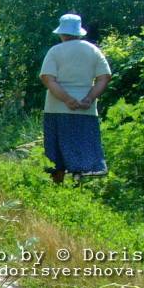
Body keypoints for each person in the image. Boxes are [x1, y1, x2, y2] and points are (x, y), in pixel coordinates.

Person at [39, 13, 112, 184]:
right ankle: (79, 182)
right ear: (79, 32)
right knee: (82, 147)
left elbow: (47, 78)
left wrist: (66, 99)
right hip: (86, 110)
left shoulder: (55, 51)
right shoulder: (93, 50)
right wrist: (89, 98)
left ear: (61, 33)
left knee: (56, 151)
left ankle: (57, 185)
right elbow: (105, 77)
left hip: (57, 108)